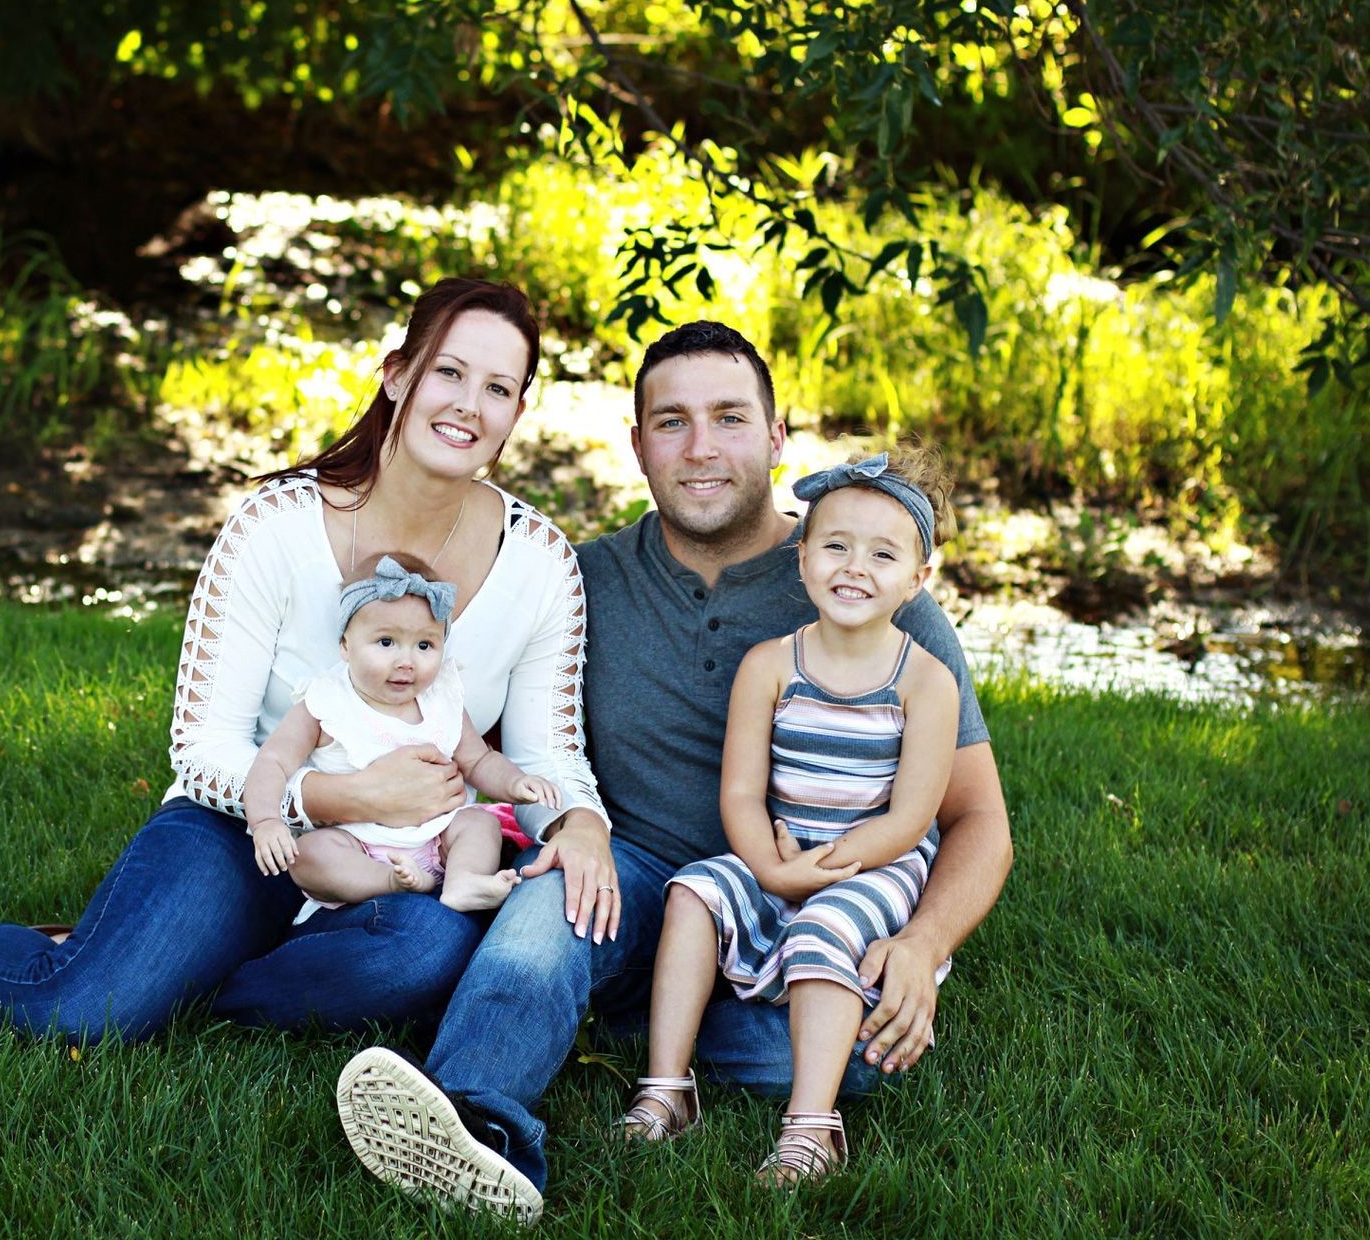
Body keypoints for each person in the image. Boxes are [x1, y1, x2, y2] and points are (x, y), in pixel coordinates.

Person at [0, 277, 607, 1043]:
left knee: (419, 955)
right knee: (85, 1012)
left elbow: (544, 754)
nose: (468, 405)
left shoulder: (538, 561)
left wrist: (579, 827)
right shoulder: (275, 525)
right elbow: (203, 751)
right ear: (397, 376)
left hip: (400, 862)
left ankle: (180, 979)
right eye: (448, 373)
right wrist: (340, 793)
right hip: (240, 830)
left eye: (498, 388)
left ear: (517, 411)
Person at [333, 321, 1012, 1223]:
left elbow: (979, 821)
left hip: (823, 894)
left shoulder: (864, 583)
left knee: (854, 1054)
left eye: (730, 418)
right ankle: (472, 1126)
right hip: (634, 873)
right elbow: (485, 739)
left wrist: (924, 947)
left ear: (776, 438)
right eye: (672, 422)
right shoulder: (582, 581)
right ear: (638, 445)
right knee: (547, 919)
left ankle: (630, 1027)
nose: (701, 448)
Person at [618, 445, 960, 1188]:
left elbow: (912, 816)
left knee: (823, 928)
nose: (853, 567)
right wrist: (773, 869)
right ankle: (668, 1089)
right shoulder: (771, 665)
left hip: (880, 861)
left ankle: (812, 1130)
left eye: (881, 554)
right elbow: (741, 793)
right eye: (834, 545)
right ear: (801, 560)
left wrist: (826, 873)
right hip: (781, 847)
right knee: (692, 894)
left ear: (917, 580)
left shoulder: (924, 682)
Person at [244, 551, 560, 917]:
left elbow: (479, 760)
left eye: (424, 645)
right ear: (346, 645)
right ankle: (391, 882)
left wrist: (516, 783)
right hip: (357, 842)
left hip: (438, 836)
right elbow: (272, 761)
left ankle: (464, 880)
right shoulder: (325, 703)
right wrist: (265, 820)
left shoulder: (442, 699)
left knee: (480, 822)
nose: (405, 661)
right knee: (309, 856)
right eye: (386, 642)